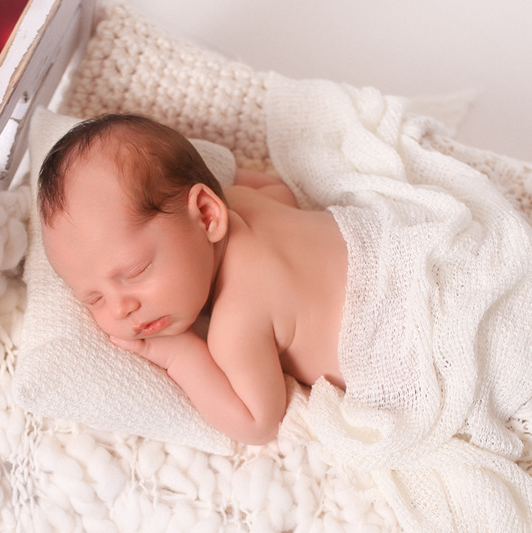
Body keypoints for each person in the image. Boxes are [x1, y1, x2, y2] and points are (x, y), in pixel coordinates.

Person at [37, 113, 346, 446]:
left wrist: (180, 356)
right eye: (93, 298)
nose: (120, 308)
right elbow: (278, 189)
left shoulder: (237, 324)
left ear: (206, 214)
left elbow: (257, 424)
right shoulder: (246, 200)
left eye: (137, 270)